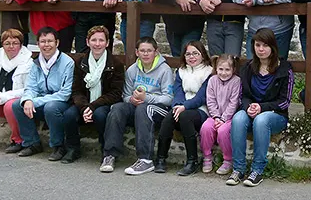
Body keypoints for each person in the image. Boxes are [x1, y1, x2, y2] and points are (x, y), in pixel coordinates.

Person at [227, 28, 294, 187]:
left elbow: (285, 101)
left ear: (273, 47)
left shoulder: (285, 69)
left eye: (265, 45)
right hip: (252, 111)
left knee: (261, 120)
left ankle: (257, 170)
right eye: (257, 45)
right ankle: (238, 169)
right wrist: (248, 106)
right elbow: (242, 95)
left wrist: (261, 108)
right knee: (237, 118)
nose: (261, 49)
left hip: (275, 115)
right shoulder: (248, 68)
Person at [99, 37, 174, 175]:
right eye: (142, 51)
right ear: (137, 52)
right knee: (117, 108)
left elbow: (168, 99)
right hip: (137, 106)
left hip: (159, 109)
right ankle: (110, 155)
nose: (146, 54)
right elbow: (125, 95)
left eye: (149, 51)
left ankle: (146, 160)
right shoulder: (132, 69)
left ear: (156, 52)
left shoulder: (165, 70)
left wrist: (147, 98)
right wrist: (132, 100)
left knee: (143, 109)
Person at [64, 26, 124, 165]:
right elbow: (76, 90)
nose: (97, 44)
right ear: (87, 42)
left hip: (103, 103)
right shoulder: (80, 62)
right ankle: (73, 148)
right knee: (69, 115)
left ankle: (106, 150)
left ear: (107, 43)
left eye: (101, 40)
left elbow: (115, 93)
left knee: (100, 115)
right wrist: (84, 107)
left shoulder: (116, 64)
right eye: (94, 40)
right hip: (84, 102)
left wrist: (92, 106)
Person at [12, 27, 75, 159]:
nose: (46, 45)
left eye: (50, 41)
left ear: (57, 43)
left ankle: (58, 146)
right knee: (18, 104)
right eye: (42, 41)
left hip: (61, 102)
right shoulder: (36, 63)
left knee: (50, 107)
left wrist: (34, 101)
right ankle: (32, 143)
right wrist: (28, 100)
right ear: (38, 44)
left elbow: (65, 93)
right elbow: (30, 87)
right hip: (42, 100)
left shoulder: (67, 62)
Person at [154, 41, 213, 176]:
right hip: (182, 108)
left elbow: (202, 97)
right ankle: (161, 159)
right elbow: (178, 91)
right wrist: (177, 106)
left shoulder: (209, 72)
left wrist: (184, 107)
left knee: (185, 117)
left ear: (202, 55)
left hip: (201, 110)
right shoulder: (181, 71)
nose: (191, 57)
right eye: (188, 54)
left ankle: (192, 161)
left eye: (195, 54)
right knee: (169, 117)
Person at [199, 54, 241, 175]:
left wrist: (223, 119)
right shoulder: (212, 80)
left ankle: (228, 159)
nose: (223, 73)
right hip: (214, 116)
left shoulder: (236, 81)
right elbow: (210, 101)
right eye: (220, 69)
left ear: (233, 70)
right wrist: (216, 117)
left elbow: (234, 103)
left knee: (223, 131)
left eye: (227, 69)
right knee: (206, 128)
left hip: (229, 117)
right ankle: (207, 156)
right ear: (216, 69)